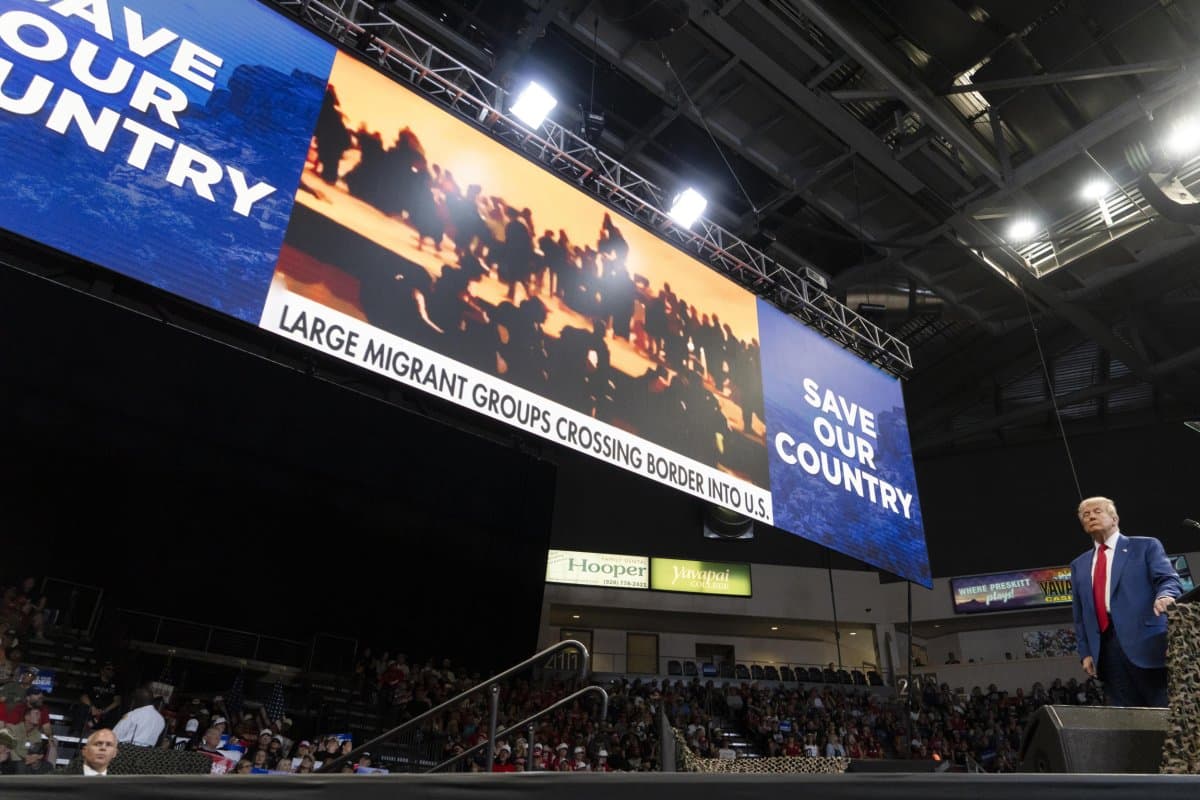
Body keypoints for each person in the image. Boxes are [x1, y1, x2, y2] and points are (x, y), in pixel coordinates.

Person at [1070, 496, 1182, 707]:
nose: (1091, 516)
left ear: (1115, 518)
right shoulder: (1078, 565)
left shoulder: (1145, 546)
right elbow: (1080, 614)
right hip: (1106, 652)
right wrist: (1085, 652)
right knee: (1129, 717)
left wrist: (1165, 595)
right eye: (1085, 514)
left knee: (1166, 710)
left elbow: (1167, 579)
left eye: (1097, 511)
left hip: (1147, 644)